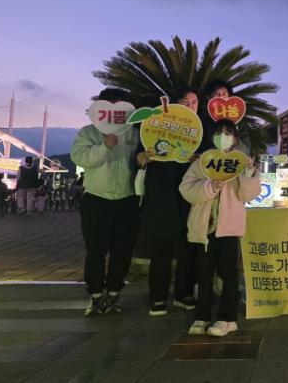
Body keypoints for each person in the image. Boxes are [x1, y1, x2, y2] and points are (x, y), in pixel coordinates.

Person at [180, 119, 260, 337]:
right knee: (204, 274)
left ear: (235, 138)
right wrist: (209, 186)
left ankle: (228, 318)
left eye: (228, 133)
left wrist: (249, 173)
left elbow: (248, 195)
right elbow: (186, 189)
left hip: (229, 228)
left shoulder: (240, 162)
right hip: (204, 228)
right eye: (218, 132)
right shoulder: (202, 161)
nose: (223, 137)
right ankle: (202, 316)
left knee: (228, 274)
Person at [71, 88, 141, 317]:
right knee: (95, 250)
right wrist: (103, 147)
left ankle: (114, 292)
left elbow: (141, 162)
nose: (116, 112)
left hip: (127, 200)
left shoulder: (135, 133)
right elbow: (80, 158)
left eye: (121, 106)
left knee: (123, 250)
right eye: (111, 106)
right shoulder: (89, 132)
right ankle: (95, 294)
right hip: (96, 200)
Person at [136, 89, 201, 317]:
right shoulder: (155, 126)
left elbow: (209, 164)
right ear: (174, 104)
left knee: (188, 246)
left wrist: (199, 160)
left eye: (194, 102)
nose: (190, 106)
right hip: (161, 196)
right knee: (162, 246)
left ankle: (184, 293)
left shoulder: (200, 132)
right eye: (186, 101)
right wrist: (142, 158)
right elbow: (139, 157)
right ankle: (158, 296)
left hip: (189, 197)